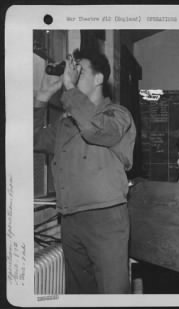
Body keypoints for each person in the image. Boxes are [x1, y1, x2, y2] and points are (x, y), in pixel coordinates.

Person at [34, 49, 136, 293]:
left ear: (99, 79)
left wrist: (69, 89)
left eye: (79, 69)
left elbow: (94, 130)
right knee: (79, 292)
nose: (72, 74)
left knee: (113, 293)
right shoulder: (65, 125)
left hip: (105, 218)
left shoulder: (117, 115)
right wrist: (42, 98)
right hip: (70, 218)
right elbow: (31, 139)